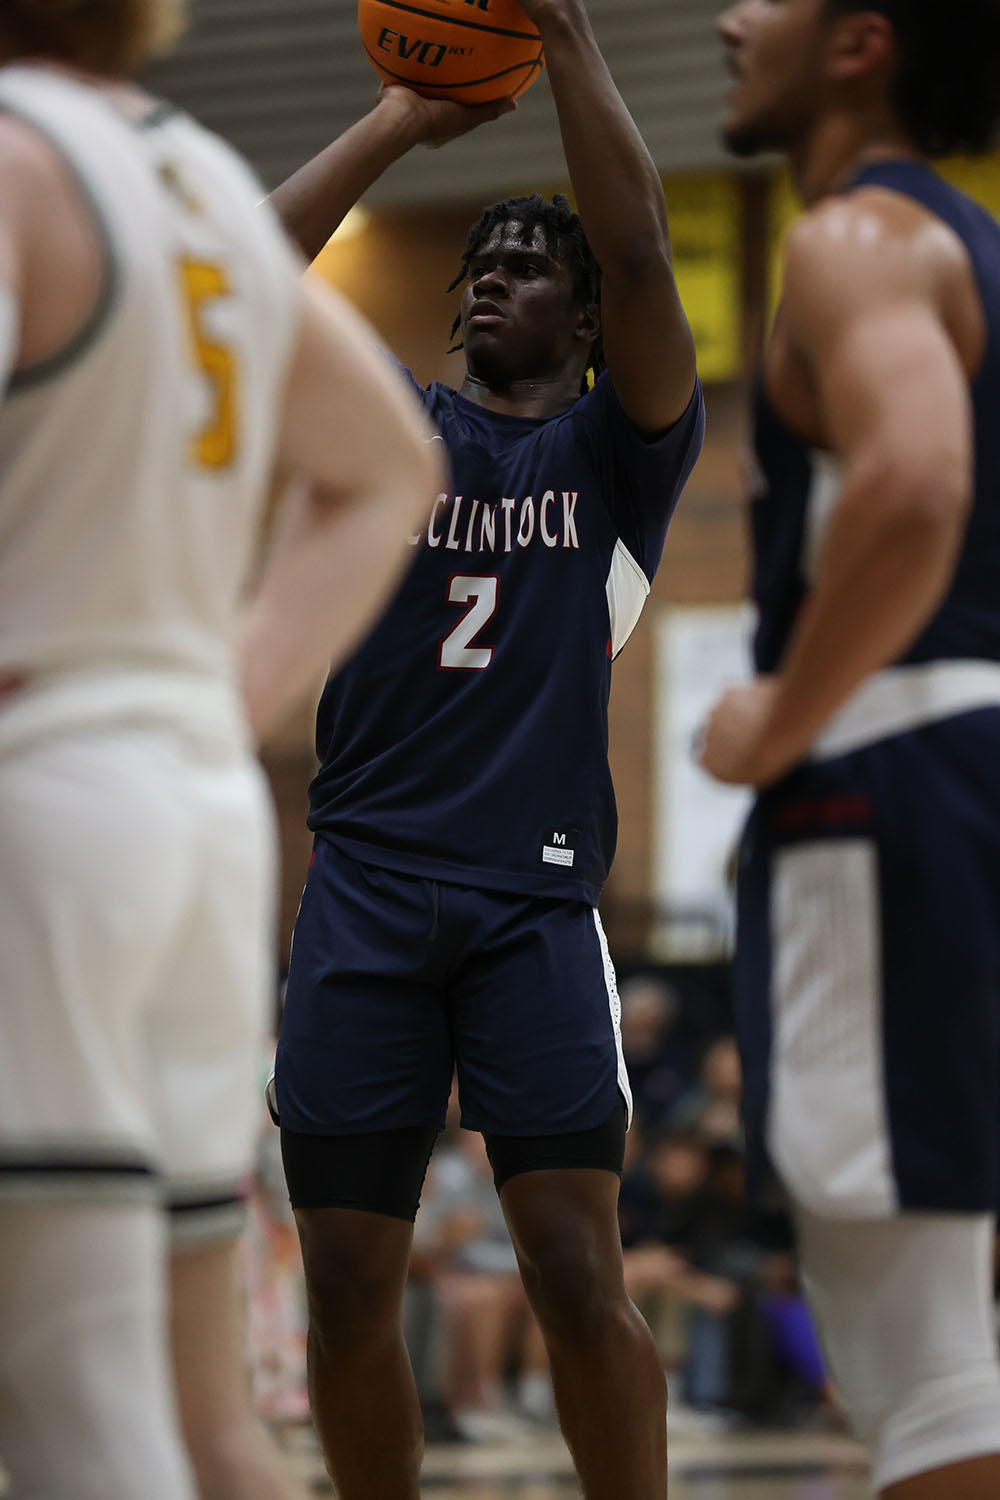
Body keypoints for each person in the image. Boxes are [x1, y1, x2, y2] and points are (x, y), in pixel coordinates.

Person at [0, 3, 442, 1498]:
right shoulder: (200, 183)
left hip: (50, 804)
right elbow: (387, 465)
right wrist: (215, 691)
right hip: (192, 807)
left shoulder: (13, 163)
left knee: (73, 1413)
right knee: (204, 1423)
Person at [269, 2, 705, 1496]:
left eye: (538, 263)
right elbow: (238, 285)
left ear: (589, 323)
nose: (502, 274)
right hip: (367, 890)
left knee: (578, 1269)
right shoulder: (383, 429)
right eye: (485, 263)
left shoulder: (618, 463)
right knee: (341, 1285)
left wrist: (565, 33)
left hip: (531, 904)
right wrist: (402, 120)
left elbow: (643, 250)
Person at [702, 2, 1000, 1496]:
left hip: (897, 794)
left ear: (862, 39)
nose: (730, 15)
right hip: (967, 766)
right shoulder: (981, 253)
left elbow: (916, 486)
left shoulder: (858, 243)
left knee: (927, 1374)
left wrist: (781, 714)